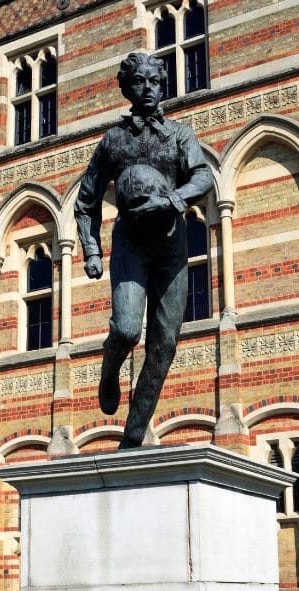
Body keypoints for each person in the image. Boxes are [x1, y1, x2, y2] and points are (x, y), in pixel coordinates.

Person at [75, 53, 213, 449]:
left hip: (170, 244)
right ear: (127, 88)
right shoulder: (113, 141)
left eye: (154, 81)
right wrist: (91, 250)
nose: (148, 88)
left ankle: (133, 435)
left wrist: (171, 201)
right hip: (131, 244)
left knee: (164, 345)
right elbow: (86, 201)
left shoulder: (180, 135)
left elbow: (202, 175)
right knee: (126, 329)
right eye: (139, 81)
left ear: (162, 86)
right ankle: (109, 371)